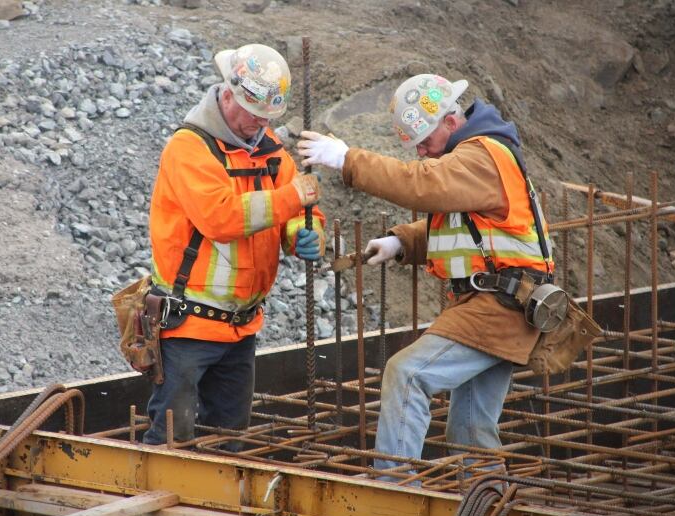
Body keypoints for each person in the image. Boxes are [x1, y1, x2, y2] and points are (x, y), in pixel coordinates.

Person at [297, 74, 554, 480]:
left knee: (406, 375)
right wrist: (402, 243)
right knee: (471, 431)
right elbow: (467, 225)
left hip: (496, 308)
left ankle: (391, 497)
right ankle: (487, 506)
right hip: (507, 306)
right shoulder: (477, 158)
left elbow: (420, 185)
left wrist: (347, 159)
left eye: (423, 139)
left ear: (450, 122)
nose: (420, 150)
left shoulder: (481, 156)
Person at [144, 43, 326, 447]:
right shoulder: (189, 148)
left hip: (241, 328)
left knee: (230, 440)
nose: (259, 125)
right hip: (188, 328)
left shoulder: (270, 149)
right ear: (227, 94)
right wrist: (294, 199)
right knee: (175, 439)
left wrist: (303, 235)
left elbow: (296, 211)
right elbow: (221, 218)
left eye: (267, 117)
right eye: (253, 113)